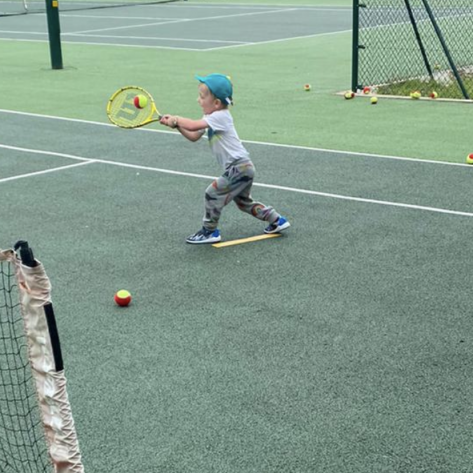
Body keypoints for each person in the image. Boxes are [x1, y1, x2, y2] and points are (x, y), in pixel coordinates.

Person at [160, 73, 290, 244]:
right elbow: (193, 135)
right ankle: (276, 220)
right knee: (243, 203)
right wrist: (176, 125)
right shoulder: (211, 119)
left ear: (216, 103)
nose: (198, 100)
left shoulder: (221, 116)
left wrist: (176, 119)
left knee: (212, 193)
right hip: (243, 168)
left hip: (239, 167)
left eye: (202, 96)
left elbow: (192, 125)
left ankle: (209, 231)